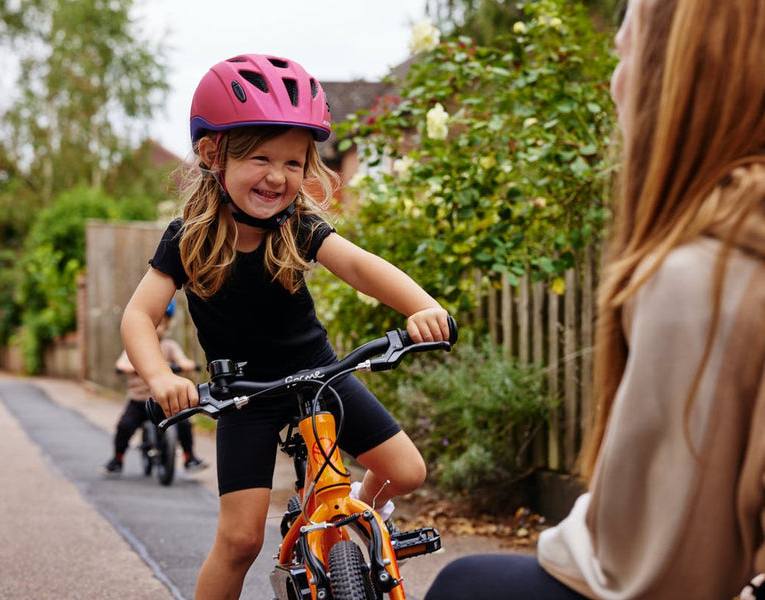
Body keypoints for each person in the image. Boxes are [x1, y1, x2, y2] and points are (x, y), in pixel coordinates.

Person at [425, 0, 765, 599]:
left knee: (467, 585)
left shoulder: (707, 280)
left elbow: (657, 572)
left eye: (623, 53)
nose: (613, 83)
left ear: (678, 77)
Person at [120, 53, 451, 600]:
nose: (278, 176)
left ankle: (353, 529)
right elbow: (139, 315)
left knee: (406, 469)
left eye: (294, 163)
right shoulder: (188, 239)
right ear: (212, 154)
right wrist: (160, 379)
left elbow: (360, 267)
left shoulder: (297, 226)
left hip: (320, 376)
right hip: (244, 395)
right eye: (261, 158)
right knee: (240, 540)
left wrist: (420, 306)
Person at [103, 299, 208, 475]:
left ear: (168, 325)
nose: (157, 326)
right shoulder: (135, 347)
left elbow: (183, 360)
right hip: (140, 402)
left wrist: (186, 364)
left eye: (161, 322)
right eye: (153, 322)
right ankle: (117, 458)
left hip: (166, 401)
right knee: (124, 426)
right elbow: (121, 363)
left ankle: (189, 457)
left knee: (184, 423)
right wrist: (131, 367)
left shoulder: (170, 346)